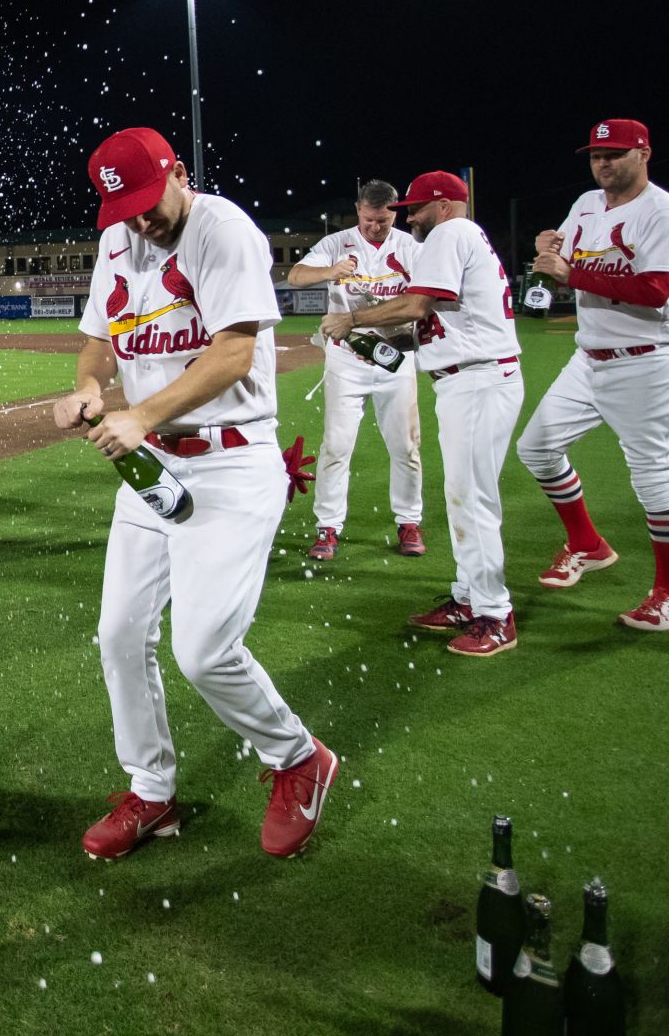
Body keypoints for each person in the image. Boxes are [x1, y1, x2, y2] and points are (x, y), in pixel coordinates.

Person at [56, 127, 336, 861]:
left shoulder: (223, 230)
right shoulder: (118, 241)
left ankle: (298, 756)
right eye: (127, 212)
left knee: (206, 651)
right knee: (119, 636)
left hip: (231, 463)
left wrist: (141, 413)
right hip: (152, 473)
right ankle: (152, 793)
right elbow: (99, 341)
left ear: (180, 172)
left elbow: (235, 351)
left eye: (152, 203)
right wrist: (88, 389)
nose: (143, 222)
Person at [322, 171, 523, 658]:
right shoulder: (461, 235)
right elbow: (435, 319)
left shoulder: (451, 232)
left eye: (418, 207)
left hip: (477, 379)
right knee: (463, 497)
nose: (409, 215)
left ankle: (495, 614)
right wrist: (382, 341)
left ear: (446, 206)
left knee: (470, 499)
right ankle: (468, 597)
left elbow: (416, 304)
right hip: (470, 374)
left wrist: (352, 318)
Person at [515, 120, 669, 633]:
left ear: (644, 154)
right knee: (537, 448)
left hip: (648, 361)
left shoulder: (663, 212)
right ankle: (587, 544)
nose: (603, 163)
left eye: (615, 154)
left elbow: (656, 290)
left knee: (654, 475)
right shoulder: (586, 203)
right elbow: (561, 259)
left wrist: (569, 274)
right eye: (596, 154)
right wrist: (549, 249)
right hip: (590, 355)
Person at [286, 179, 426, 562]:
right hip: (347, 358)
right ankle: (328, 527)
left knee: (406, 446)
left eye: (382, 220)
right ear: (358, 210)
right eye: (367, 219)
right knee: (336, 445)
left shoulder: (412, 248)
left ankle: (409, 521)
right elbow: (295, 275)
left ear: (394, 212)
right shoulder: (337, 243)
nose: (374, 227)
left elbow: (425, 298)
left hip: (395, 358)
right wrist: (329, 271)